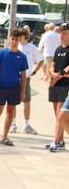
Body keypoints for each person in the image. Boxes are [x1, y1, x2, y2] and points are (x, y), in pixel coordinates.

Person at [12, 27, 44, 134]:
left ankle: (26, 124)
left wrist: (34, 72)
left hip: (26, 78)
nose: (17, 39)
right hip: (15, 78)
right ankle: (13, 124)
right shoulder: (16, 47)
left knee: (27, 102)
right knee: (13, 102)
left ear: (24, 36)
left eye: (19, 36)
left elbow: (40, 60)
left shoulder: (31, 47)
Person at [47, 23, 69, 152]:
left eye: (65, 32)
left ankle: (55, 142)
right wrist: (52, 73)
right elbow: (52, 65)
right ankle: (61, 140)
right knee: (57, 114)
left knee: (61, 113)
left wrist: (55, 77)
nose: (61, 35)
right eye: (60, 32)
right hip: (54, 84)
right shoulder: (58, 49)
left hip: (64, 85)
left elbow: (65, 70)